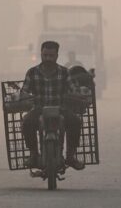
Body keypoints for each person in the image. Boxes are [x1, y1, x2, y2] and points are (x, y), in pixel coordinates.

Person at [20, 41, 85, 170]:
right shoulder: (32, 72)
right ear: (41, 54)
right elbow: (25, 91)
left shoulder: (65, 72)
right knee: (26, 122)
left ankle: (70, 156)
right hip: (38, 109)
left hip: (60, 109)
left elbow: (74, 89)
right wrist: (22, 98)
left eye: (51, 55)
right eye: (45, 55)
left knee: (76, 122)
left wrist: (79, 95)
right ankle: (33, 154)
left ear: (57, 56)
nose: (48, 58)